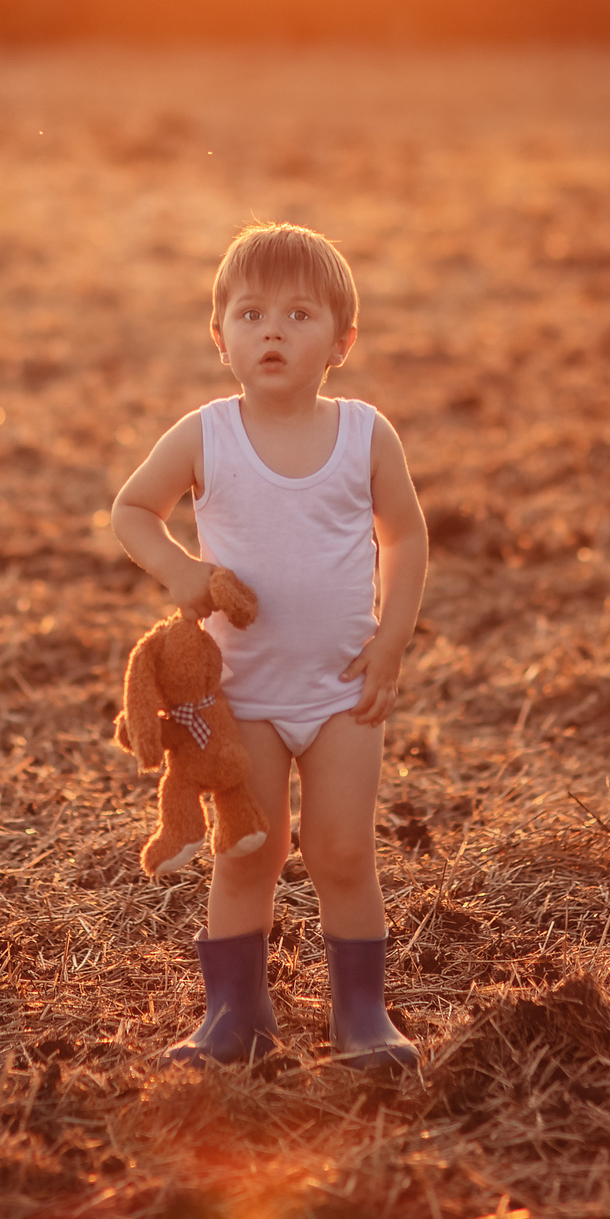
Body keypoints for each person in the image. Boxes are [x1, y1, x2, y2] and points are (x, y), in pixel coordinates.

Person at [109, 221, 429, 1069]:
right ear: (220, 338)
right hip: (241, 695)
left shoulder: (365, 435)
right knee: (249, 851)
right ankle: (235, 1017)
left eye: (298, 314)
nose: (273, 331)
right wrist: (179, 570)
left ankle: (363, 1017)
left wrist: (392, 639)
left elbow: (405, 537)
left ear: (342, 341)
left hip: (341, 692)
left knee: (341, 850)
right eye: (250, 315)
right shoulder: (205, 435)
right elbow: (132, 510)